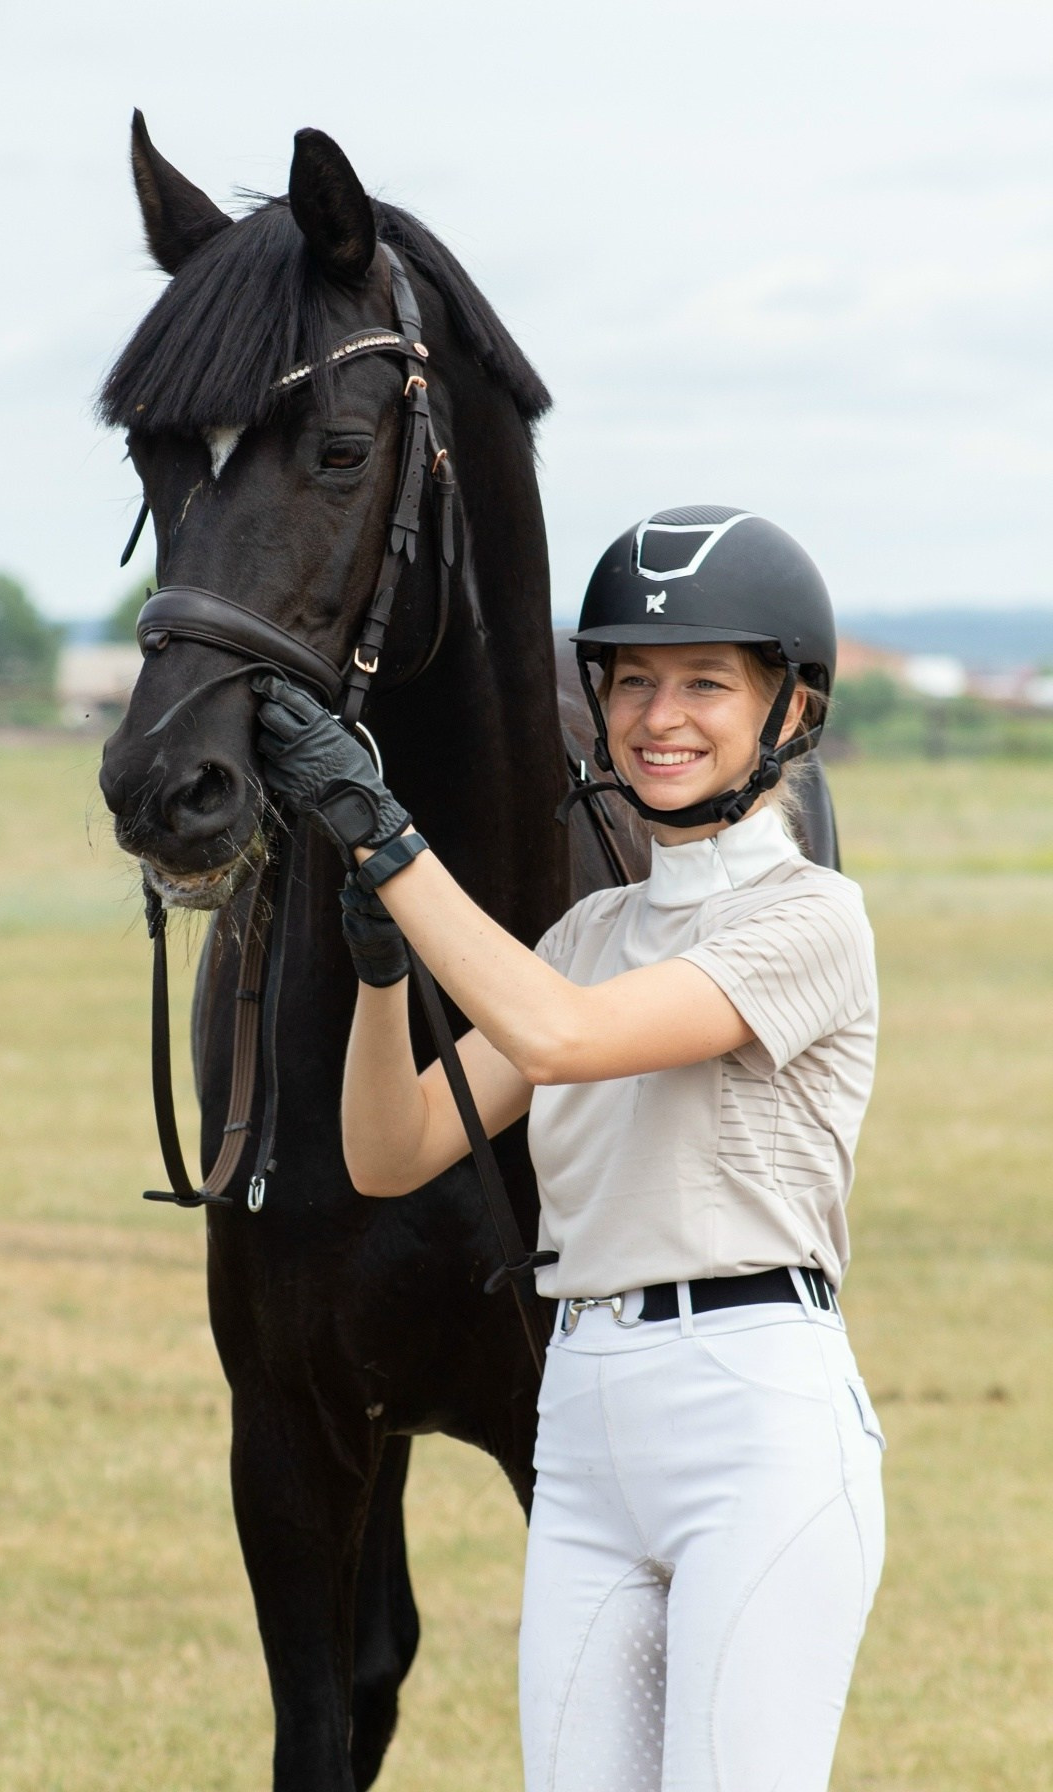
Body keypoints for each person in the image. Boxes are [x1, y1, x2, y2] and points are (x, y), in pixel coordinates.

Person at [254, 504, 885, 1792]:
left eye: (709, 682)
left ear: (794, 713)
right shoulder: (590, 930)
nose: (662, 715)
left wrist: (389, 845)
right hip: (588, 1420)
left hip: (751, 1417)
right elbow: (393, 1148)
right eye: (632, 682)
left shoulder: (815, 921)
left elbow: (561, 1040)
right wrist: (384, 978)